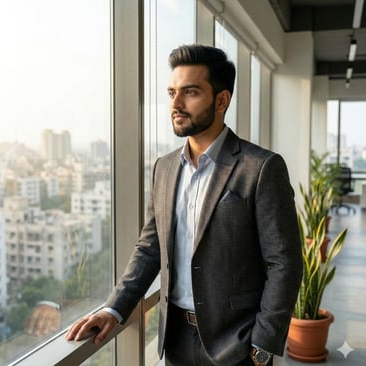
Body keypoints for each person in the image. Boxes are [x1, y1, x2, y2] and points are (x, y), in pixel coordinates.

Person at [66, 44, 303, 366]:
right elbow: (150, 247)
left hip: (238, 344)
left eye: (189, 92)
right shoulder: (163, 168)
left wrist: (263, 344)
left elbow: (284, 262)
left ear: (222, 100)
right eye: (171, 92)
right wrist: (114, 308)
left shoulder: (260, 167)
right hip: (174, 338)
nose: (175, 104)